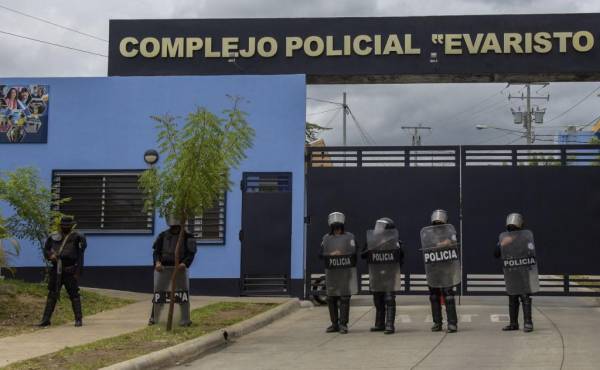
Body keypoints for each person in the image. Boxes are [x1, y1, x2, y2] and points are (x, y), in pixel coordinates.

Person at [38, 216, 87, 327]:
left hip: (70, 270)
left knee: (74, 294)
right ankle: (46, 319)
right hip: (56, 269)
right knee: (52, 294)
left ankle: (78, 319)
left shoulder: (77, 237)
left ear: (71, 226)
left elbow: (81, 252)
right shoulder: (53, 236)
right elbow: (46, 250)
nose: (65, 227)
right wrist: (51, 256)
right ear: (60, 225)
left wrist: (78, 271)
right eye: (63, 225)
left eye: (67, 225)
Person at [149, 215, 197, 326]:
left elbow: (191, 253)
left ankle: (184, 319)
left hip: (180, 269)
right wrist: (157, 262)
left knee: (182, 295)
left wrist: (184, 263)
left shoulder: (187, 236)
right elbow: (156, 252)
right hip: (163, 269)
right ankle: (154, 318)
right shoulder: (163, 236)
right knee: (159, 294)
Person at [494, 213, 538, 333]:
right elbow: (496, 253)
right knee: (512, 296)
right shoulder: (504, 238)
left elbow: (531, 253)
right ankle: (513, 323)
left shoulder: (525, 238)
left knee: (525, 296)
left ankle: (528, 322)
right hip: (511, 271)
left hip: (523, 270)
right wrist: (502, 244)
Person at [362, 217, 404, 334]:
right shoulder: (372, 241)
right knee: (378, 300)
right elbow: (363, 255)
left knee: (389, 299)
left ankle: (390, 325)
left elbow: (401, 257)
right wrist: (373, 247)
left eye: (382, 227)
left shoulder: (395, 241)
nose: (379, 229)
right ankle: (379, 324)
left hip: (389, 274)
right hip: (376, 274)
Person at [421, 209, 460, 333]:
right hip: (433, 268)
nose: (438, 220)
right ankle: (437, 322)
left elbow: (453, 241)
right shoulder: (427, 233)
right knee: (434, 296)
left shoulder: (450, 231)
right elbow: (426, 246)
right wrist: (440, 245)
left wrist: (449, 242)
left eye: (440, 218)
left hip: (447, 268)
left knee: (448, 295)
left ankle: (452, 324)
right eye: (436, 219)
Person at [320, 212, 357, 334]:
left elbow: (354, 252)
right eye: (335, 228)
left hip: (345, 272)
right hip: (332, 273)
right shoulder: (326, 238)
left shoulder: (349, 237)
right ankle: (334, 323)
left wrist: (342, 253)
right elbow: (321, 254)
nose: (337, 230)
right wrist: (330, 254)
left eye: (338, 228)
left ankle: (343, 324)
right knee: (331, 298)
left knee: (344, 298)